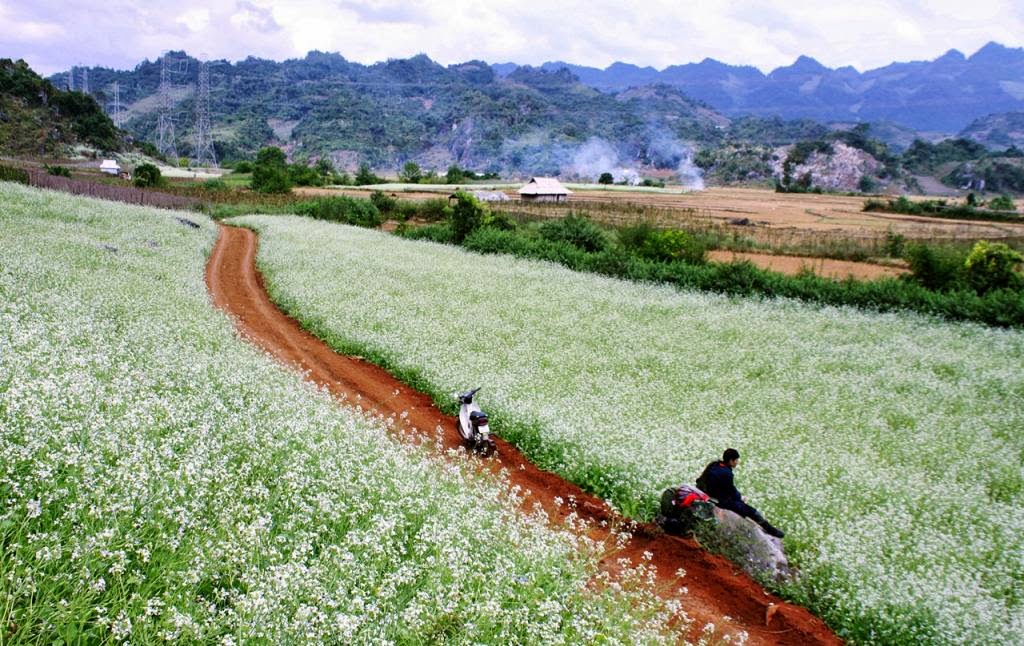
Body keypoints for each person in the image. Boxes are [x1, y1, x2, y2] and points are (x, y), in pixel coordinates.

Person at [696, 448, 785, 539]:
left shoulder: (715, 465)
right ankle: (771, 530)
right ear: (731, 460)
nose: (737, 462)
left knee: (742, 506)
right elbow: (731, 491)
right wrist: (741, 497)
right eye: (736, 460)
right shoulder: (725, 473)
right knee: (752, 511)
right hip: (719, 500)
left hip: (710, 494)